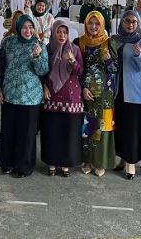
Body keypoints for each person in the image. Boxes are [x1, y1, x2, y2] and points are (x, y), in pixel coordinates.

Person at [0, 14, 49, 178]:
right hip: (10, 94)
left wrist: (37, 56)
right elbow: (1, 66)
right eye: (25, 27)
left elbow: (42, 70)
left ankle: (23, 166)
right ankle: (7, 163)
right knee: (9, 131)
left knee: (26, 135)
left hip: (30, 97)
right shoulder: (8, 43)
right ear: (19, 28)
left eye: (31, 27)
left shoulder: (39, 44)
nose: (28, 30)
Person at [111, 10, 141, 180]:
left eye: (134, 22)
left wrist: (138, 55)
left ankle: (131, 163)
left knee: (132, 129)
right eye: (127, 21)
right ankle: (122, 157)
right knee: (120, 127)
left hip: (136, 93)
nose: (130, 25)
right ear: (121, 22)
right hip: (117, 91)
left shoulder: (140, 41)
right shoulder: (114, 40)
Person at [40, 20, 84, 177]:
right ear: (54, 33)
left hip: (71, 99)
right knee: (52, 131)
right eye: (59, 32)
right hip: (51, 97)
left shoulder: (75, 49)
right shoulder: (48, 49)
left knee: (68, 132)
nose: (62, 35)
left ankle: (65, 164)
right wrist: (44, 86)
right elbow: (42, 70)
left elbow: (79, 72)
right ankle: (52, 163)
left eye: (65, 32)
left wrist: (72, 60)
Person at [77, 11, 117, 177]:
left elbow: (114, 70)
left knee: (104, 127)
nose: (93, 27)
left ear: (102, 25)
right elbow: (78, 70)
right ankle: (87, 160)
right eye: (90, 23)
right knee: (87, 126)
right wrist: (82, 88)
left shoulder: (108, 43)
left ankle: (100, 162)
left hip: (105, 94)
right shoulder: (80, 42)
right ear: (85, 24)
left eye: (97, 24)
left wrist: (108, 59)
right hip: (87, 92)